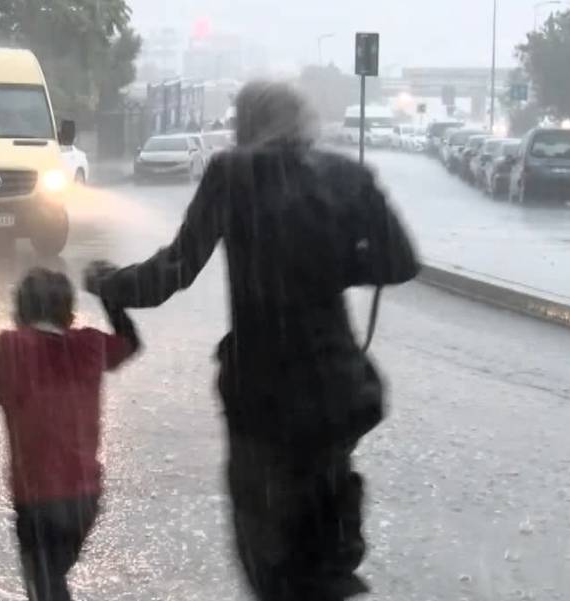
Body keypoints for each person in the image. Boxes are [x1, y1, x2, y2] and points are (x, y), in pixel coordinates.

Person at [84, 80, 419, 601]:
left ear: (246, 123)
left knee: (270, 554)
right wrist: (329, 264)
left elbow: (173, 271)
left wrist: (108, 283)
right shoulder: (349, 175)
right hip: (338, 392)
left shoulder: (233, 173)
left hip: (266, 397)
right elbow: (399, 262)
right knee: (326, 544)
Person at [0, 268, 140, 601]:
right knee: (52, 576)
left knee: (43, 584)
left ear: (19, 313)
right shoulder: (90, 345)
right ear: (69, 315)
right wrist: (108, 295)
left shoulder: (8, 349)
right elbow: (131, 343)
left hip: (36, 501)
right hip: (84, 500)